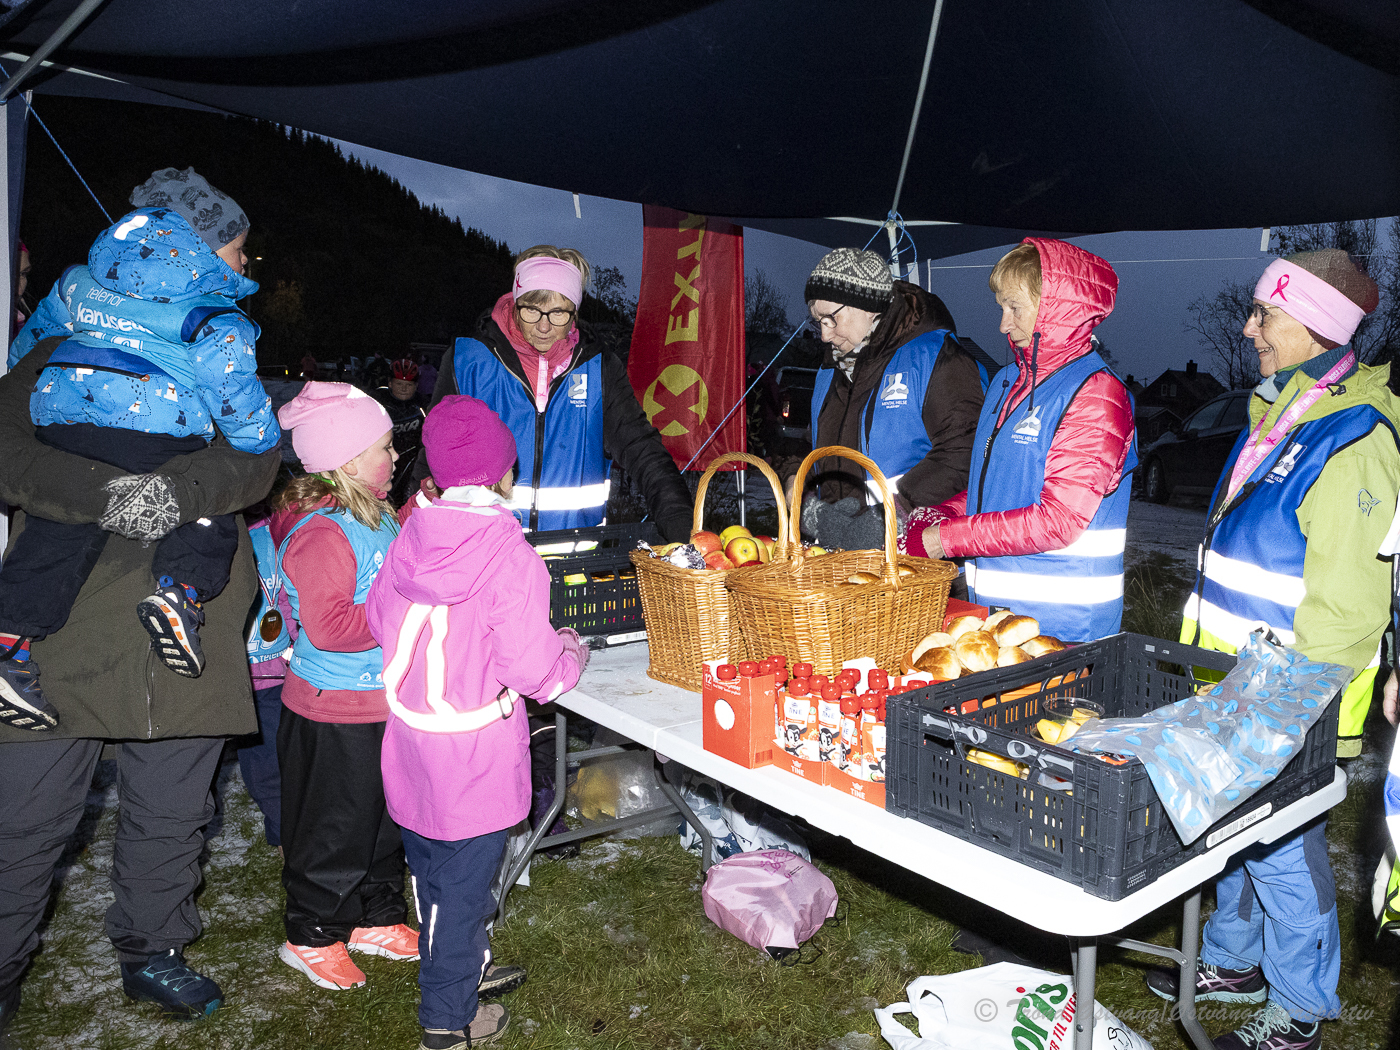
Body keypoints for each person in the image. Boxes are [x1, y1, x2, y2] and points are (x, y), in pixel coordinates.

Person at [1145, 249, 1397, 1050]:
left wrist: (1289, 708)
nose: (1248, 328)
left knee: (1285, 850)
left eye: (1266, 315)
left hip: (1289, 694)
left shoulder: (1353, 437)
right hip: (1233, 679)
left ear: (1317, 326)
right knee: (1235, 830)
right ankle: (1233, 958)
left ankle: (1298, 1005)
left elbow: (1350, 608)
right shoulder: (1281, 409)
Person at [0, 334, 280, 1028]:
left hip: (190, 622)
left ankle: (153, 948)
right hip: (60, 628)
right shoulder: (59, 349)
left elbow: (258, 452)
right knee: (25, 818)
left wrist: (171, 494)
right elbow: (8, 450)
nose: (238, 265)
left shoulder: (221, 350)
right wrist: (109, 493)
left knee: (174, 811)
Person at [0, 171, 279, 732]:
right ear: (201, 248)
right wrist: (261, 437)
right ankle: (180, 595)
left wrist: (33, 370)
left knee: (57, 531)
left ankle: (10, 642)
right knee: (203, 511)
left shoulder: (80, 284)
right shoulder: (211, 314)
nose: (246, 262)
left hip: (66, 424)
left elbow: (33, 341)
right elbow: (232, 388)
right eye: (239, 248)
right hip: (157, 428)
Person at [367, 395, 588, 1050]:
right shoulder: (510, 554)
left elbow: (380, 621)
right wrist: (569, 652)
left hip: (410, 743)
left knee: (434, 877)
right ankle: (446, 1020)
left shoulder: (409, 533)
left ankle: (455, 975)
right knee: (463, 899)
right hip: (476, 754)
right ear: (505, 475)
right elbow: (533, 671)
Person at [902, 238, 1137, 643]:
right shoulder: (1006, 382)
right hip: (996, 615)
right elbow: (996, 488)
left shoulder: (1095, 395)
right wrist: (943, 513)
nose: (1003, 325)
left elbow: (1060, 520)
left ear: (1057, 308)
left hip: (1062, 628)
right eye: (1001, 308)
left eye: (1015, 307)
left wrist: (946, 539)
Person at [270, 383, 418, 991]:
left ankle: (373, 917)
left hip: (379, 705)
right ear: (347, 460)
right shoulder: (322, 533)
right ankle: (311, 931)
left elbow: (383, 568)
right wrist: (405, 611)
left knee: (383, 821)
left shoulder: (374, 512)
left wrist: (418, 514)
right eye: (385, 448)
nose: (394, 458)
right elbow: (330, 628)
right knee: (335, 826)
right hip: (332, 714)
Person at [428, 245, 692, 540]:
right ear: (515, 303)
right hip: (485, 556)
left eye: (558, 313)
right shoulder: (468, 360)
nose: (543, 326)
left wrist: (679, 520)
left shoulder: (598, 367)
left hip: (574, 561)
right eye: (531, 310)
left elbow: (642, 449)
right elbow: (432, 457)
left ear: (574, 312)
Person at [788, 247, 987, 553]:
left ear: (869, 305)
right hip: (839, 553)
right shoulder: (831, 370)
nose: (825, 336)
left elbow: (964, 453)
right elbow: (809, 447)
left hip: (915, 556)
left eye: (831, 318)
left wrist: (891, 514)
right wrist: (794, 483)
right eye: (818, 322)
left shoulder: (937, 359)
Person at [237, 508, 295, 852]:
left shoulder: (275, 532)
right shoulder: (214, 530)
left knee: (287, 758)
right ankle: (282, 833)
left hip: (280, 675)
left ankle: (291, 830)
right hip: (240, 683)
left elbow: (288, 594)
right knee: (263, 768)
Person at [371, 357, 428, 507]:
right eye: (399, 384)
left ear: (416, 386)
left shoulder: (422, 405)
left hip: (411, 464)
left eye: (408, 385)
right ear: (390, 383)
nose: (403, 389)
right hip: (382, 461)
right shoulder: (376, 402)